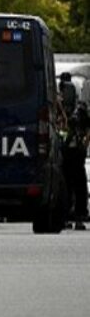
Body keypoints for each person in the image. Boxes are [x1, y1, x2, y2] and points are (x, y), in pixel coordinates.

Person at [59, 74, 87, 230]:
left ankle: (79, 216)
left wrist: (84, 144)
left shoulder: (79, 110)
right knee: (67, 186)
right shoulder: (59, 107)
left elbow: (85, 128)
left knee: (78, 186)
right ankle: (67, 216)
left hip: (75, 152)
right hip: (65, 152)